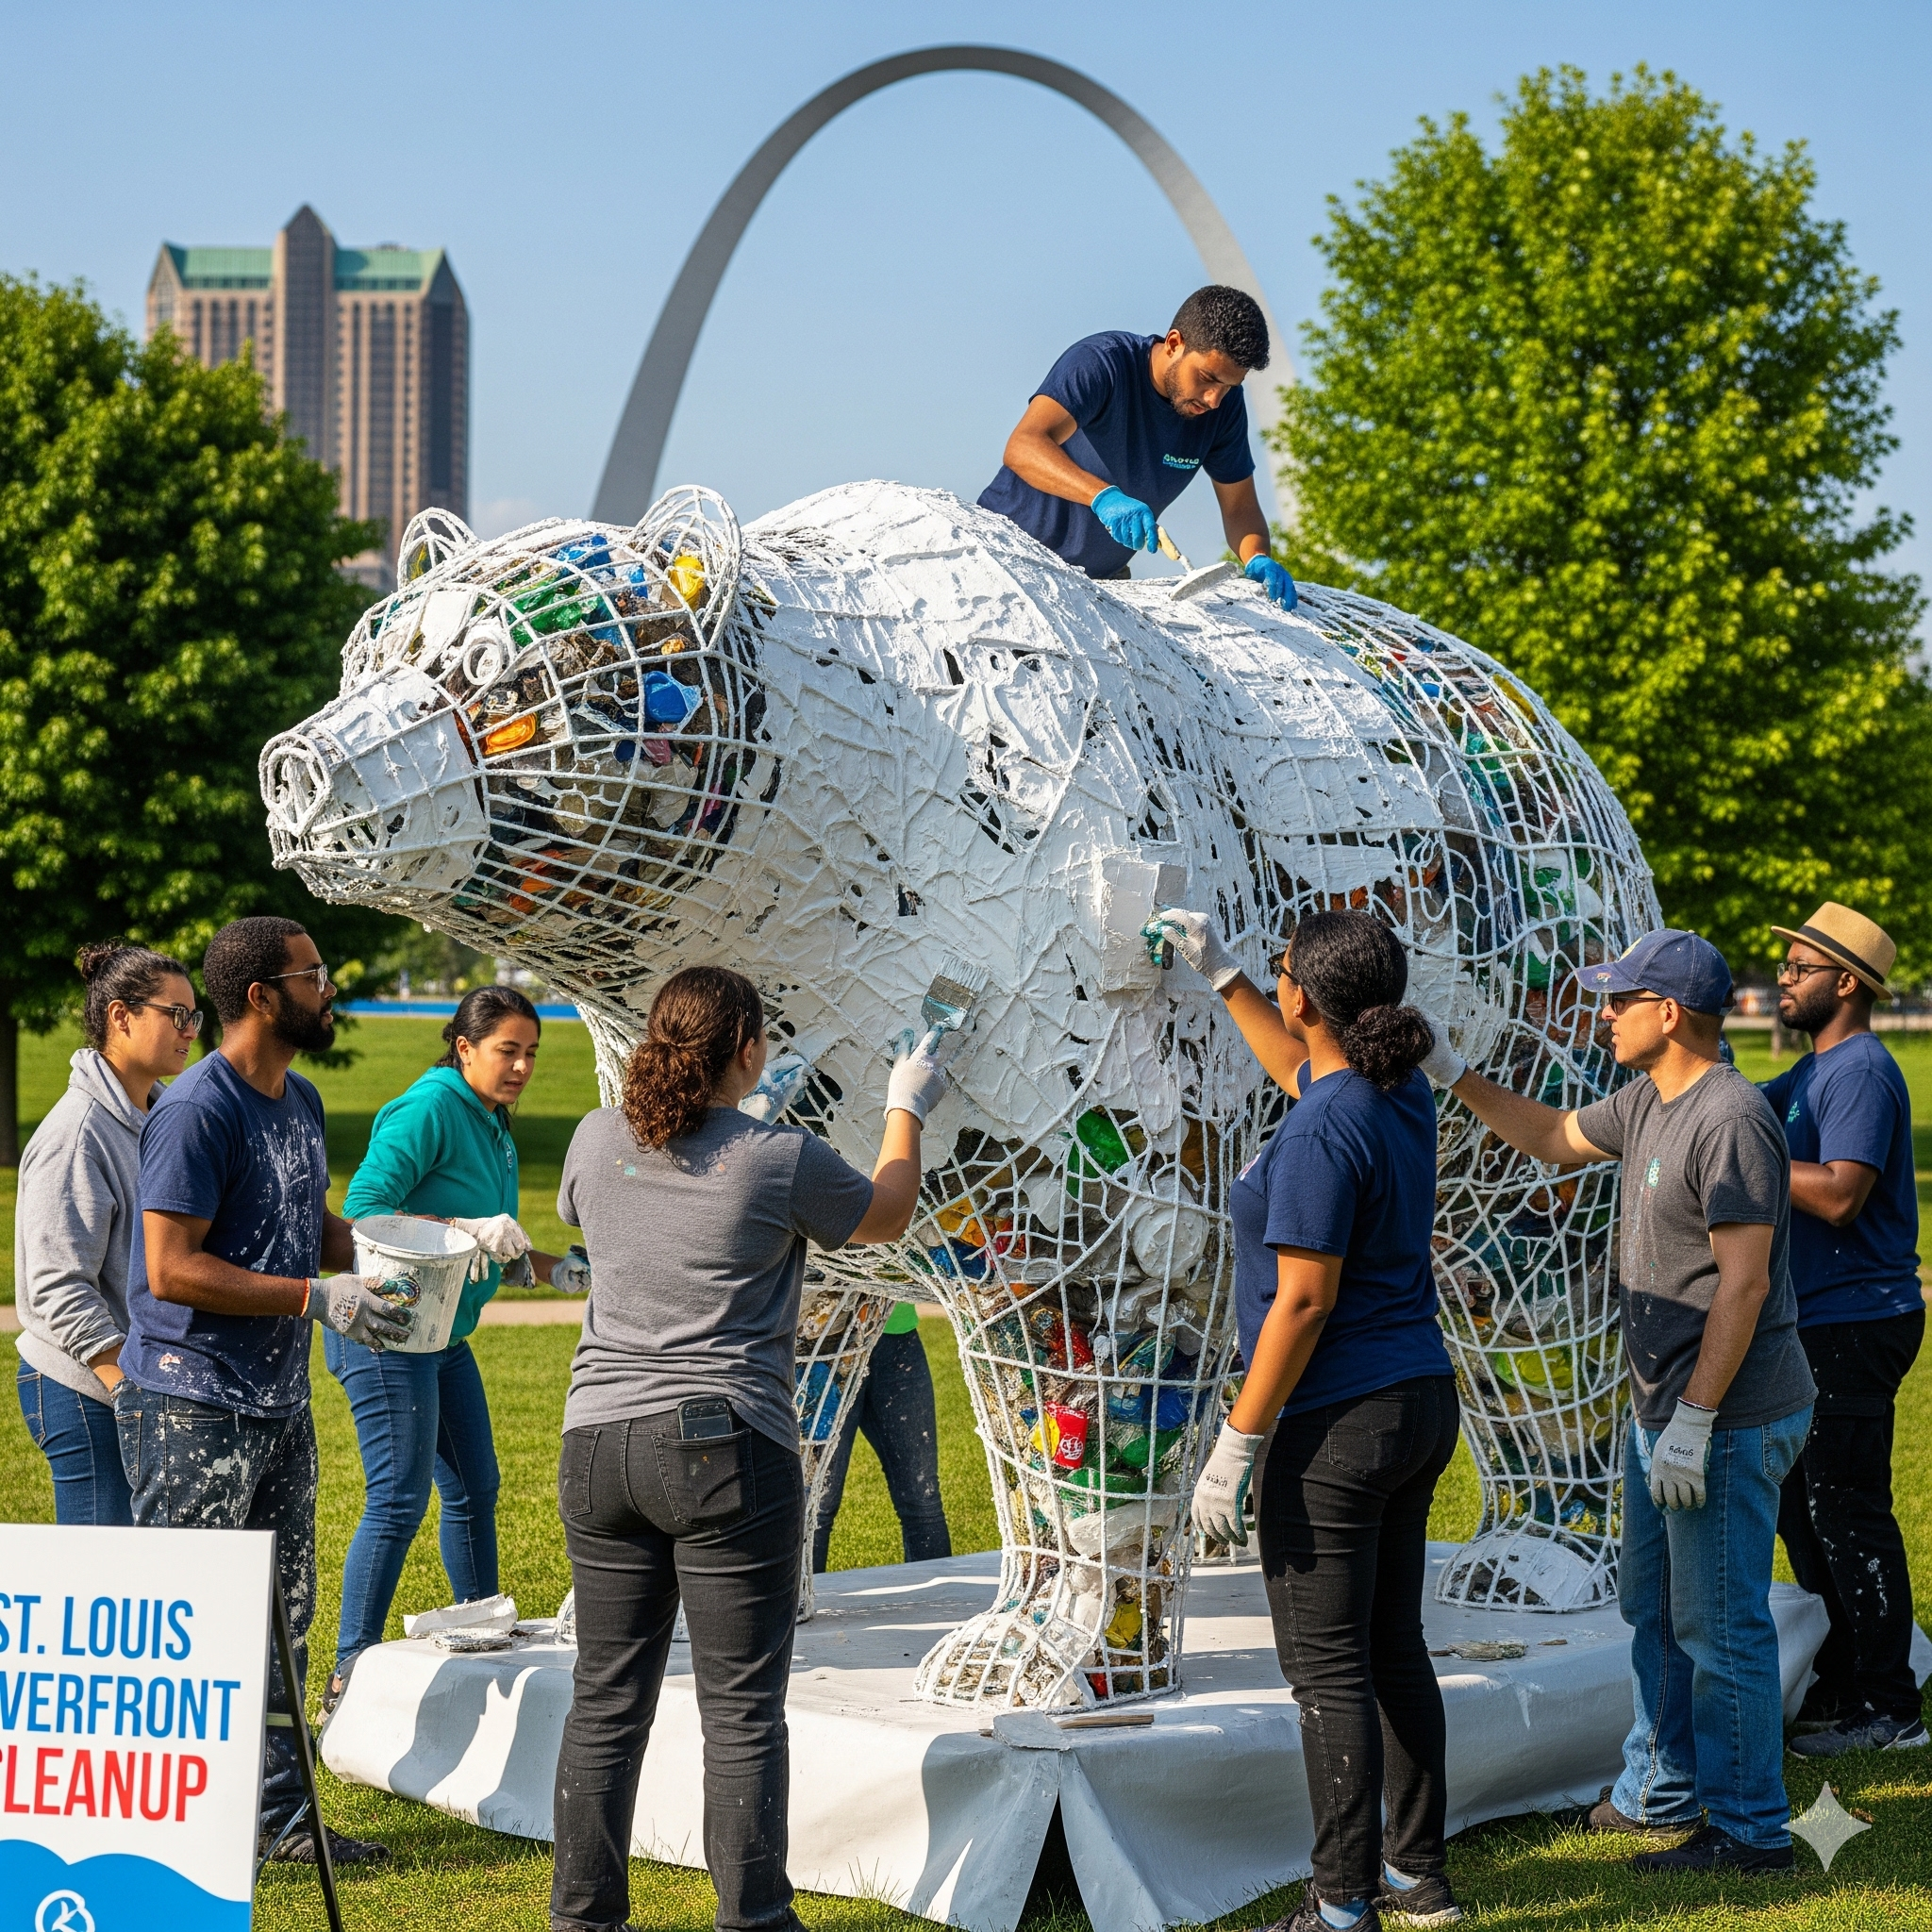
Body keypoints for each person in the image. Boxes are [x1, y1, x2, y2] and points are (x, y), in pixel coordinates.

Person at [548, 965, 968, 1932]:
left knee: (605, 1700)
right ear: (745, 1049)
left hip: (595, 1439)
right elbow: (886, 1211)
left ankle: (581, 1918)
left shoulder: (594, 1134)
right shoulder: (778, 1156)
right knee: (738, 1709)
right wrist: (905, 1105)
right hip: (719, 1442)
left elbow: (588, 1207)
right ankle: (753, 1916)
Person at [1423, 928, 1814, 1876]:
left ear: (1666, 1010)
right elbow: (1554, 1138)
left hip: (1722, 1414)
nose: (1599, 1014)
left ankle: (1749, 1828)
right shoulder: (1647, 1097)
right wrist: (1454, 1070)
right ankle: (1659, 1786)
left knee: (1716, 1623)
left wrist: (1693, 1419)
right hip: (1663, 1415)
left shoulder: (1727, 1118)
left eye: (1615, 999)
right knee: (1651, 1604)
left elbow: (1744, 1284)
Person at [1154, 906, 1462, 1932]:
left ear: (1308, 996)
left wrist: (1236, 1441)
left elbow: (1301, 1297)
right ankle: (1419, 1877)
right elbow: (1302, 1064)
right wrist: (1228, 975)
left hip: (1338, 1418)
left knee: (1327, 1670)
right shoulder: (1386, 1086)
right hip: (1415, 1399)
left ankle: (1339, 1903)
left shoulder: (1330, 1123)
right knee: (1389, 1649)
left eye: (1282, 972)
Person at [117, 916, 412, 1868]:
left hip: (278, 1402)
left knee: (283, 1623)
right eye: (312, 973)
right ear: (259, 995)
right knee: (192, 1626)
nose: (328, 987)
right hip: (189, 1402)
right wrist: (312, 1298)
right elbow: (170, 1266)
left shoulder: (300, 1098)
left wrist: (399, 1249)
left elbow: (299, 1215)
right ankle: (175, 1832)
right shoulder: (198, 1108)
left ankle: (281, 1823)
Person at [323, 985, 590, 1713]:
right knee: (398, 1499)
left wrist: (554, 1271)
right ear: (464, 1047)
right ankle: (347, 1677)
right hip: (384, 1334)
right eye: (508, 1051)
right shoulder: (432, 1106)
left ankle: (481, 1640)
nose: (523, 1067)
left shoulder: (491, 1118)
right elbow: (365, 1215)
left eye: (532, 1052)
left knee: (475, 1488)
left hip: (439, 1338)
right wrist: (466, 1226)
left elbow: (488, 1247)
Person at [1758, 905, 1926, 1756]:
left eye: (1798, 968)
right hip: (1820, 1322)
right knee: (1801, 1505)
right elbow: (1739, 1114)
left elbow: (1836, 1193)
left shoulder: (1857, 1069)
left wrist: (1742, 1159)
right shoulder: (1811, 1072)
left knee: (1844, 1509)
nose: (1782, 980)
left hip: (1856, 1323)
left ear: (1845, 983)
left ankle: (1890, 1708)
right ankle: (1844, 1679)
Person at [14, 943, 196, 1524]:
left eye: (195, 1016)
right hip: (82, 1386)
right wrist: (127, 1387)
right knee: (98, 1580)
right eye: (177, 1014)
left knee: (136, 1573)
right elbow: (59, 1285)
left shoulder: (158, 1119)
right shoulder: (77, 1133)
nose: (191, 1029)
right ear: (122, 1017)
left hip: (128, 1382)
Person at [979, 284, 1297, 606]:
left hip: (1099, 588)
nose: (1214, 399)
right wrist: (1103, 497)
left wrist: (1256, 558)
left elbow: (1239, 506)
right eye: (1207, 378)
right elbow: (1024, 445)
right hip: (1000, 562)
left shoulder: (1223, 408)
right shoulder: (1102, 364)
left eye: (1230, 386)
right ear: (1174, 344)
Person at [809, 1298, 951, 1574]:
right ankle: (801, 1608)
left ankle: (939, 1601)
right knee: (817, 1505)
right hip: (826, 1341)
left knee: (923, 1499)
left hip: (897, 1335)